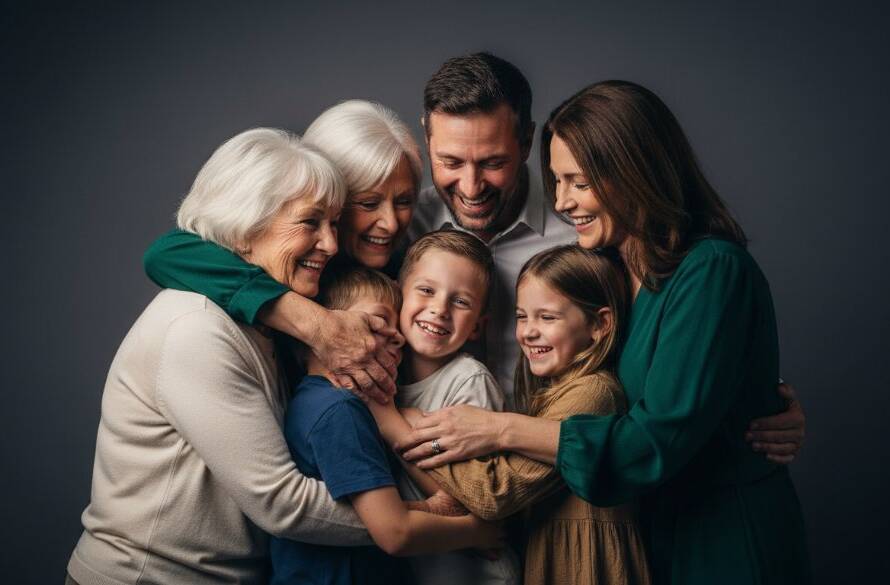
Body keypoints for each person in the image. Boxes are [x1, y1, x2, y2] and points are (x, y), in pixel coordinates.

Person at [140, 53, 805, 460]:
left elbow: (661, 350)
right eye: (450, 161)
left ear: (527, 140)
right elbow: (174, 249)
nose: (470, 185)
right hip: (412, 474)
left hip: (554, 476)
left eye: (492, 162)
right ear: (428, 138)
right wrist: (310, 320)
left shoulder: (585, 229)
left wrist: (751, 408)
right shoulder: (398, 223)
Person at [399, 81, 812, 584]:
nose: (563, 201)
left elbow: (655, 437)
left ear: (635, 171)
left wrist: (498, 428)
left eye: (579, 182)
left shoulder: (711, 268)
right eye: (557, 181)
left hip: (718, 539)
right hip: (637, 531)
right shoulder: (608, 265)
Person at [66, 128, 374, 585]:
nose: (331, 243)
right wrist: (418, 522)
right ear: (245, 228)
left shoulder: (267, 323)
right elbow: (280, 502)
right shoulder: (197, 328)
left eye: (334, 224)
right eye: (310, 223)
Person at [387, 244, 652, 585]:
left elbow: (494, 492)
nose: (527, 331)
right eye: (522, 316)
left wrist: (402, 423)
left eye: (547, 317)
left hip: (585, 564)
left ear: (600, 324)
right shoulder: (554, 389)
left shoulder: (592, 394)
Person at [143, 99, 422, 399]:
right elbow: (166, 253)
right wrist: (316, 324)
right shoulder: (288, 263)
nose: (391, 223)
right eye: (368, 203)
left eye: (404, 201)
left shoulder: (412, 263)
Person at [270, 266, 501, 585]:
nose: (398, 337)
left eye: (397, 327)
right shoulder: (340, 411)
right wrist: (477, 531)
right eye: (377, 323)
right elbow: (395, 533)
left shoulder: (321, 400)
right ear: (322, 331)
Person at [369, 230, 522, 585]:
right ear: (398, 295)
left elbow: (471, 501)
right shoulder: (382, 377)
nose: (440, 309)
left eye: (461, 302)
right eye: (426, 290)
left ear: (477, 327)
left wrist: (392, 423)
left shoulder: (470, 381)